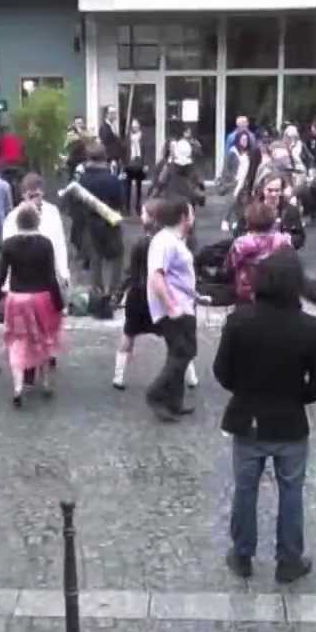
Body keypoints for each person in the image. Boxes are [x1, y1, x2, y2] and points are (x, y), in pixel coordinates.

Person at [214, 248, 316, 583]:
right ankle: (289, 559)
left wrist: (245, 391)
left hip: (248, 419)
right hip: (290, 422)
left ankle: (242, 554)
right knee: (291, 493)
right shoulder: (310, 329)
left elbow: (223, 372)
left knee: (245, 490)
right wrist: (297, 397)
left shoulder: (239, 322)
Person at [112, 199, 199, 391]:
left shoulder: (141, 243)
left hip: (139, 296)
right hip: (162, 297)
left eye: (143, 213)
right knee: (176, 340)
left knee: (129, 334)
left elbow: (130, 272)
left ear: (151, 219)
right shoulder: (172, 242)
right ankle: (190, 376)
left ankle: (119, 376)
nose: (141, 216)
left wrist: (118, 294)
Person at [0, 206, 65, 407]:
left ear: (18, 223)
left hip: (16, 299)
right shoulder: (45, 244)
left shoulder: (9, 244)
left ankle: (18, 386)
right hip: (41, 297)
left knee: (17, 340)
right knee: (44, 338)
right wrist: (59, 302)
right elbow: (50, 277)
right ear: (36, 222)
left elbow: (1, 274)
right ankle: (46, 382)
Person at [145, 197, 198, 422]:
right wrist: (171, 306)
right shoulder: (164, 241)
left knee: (179, 353)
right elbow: (157, 276)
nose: (194, 217)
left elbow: (179, 277)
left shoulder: (175, 240)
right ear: (183, 217)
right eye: (191, 213)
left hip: (183, 303)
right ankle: (156, 394)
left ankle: (174, 402)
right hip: (174, 309)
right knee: (184, 351)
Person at [77, 142, 125, 316]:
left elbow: (78, 203)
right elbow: (120, 201)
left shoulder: (83, 180)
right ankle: (113, 293)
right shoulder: (112, 179)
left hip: (91, 223)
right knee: (117, 257)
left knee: (95, 259)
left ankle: (97, 293)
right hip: (111, 222)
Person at [5, 173, 70, 288]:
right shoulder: (12, 217)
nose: (35, 199)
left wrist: (63, 273)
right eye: (31, 196)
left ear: (42, 193)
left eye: (37, 195)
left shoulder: (52, 212)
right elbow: (8, 250)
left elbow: (60, 244)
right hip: (23, 276)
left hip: (49, 274)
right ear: (23, 195)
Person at [226, 202, 292, 303]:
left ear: (248, 223)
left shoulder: (241, 244)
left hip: (247, 292)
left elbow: (230, 266)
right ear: (272, 222)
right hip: (276, 289)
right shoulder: (283, 241)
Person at [220, 131, 259, 231]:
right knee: (232, 201)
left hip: (245, 181)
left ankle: (238, 221)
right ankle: (225, 220)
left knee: (243, 203)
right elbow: (226, 168)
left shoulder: (250, 153)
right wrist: (228, 180)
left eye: (246, 139)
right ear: (238, 140)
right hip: (235, 181)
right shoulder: (233, 152)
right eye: (242, 139)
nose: (244, 141)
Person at [124, 118, 153, 214]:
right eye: (133, 126)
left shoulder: (143, 137)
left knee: (139, 187)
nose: (134, 128)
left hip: (139, 163)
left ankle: (138, 207)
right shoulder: (128, 137)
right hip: (129, 163)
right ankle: (127, 207)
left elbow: (147, 151)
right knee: (127, 187)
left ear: (139, 126)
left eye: (136, 126)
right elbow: (124, 150)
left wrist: (146, 164)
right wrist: (124, 163)